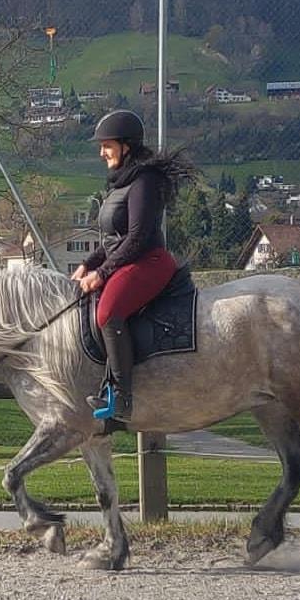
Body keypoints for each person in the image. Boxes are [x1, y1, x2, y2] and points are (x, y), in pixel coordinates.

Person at [71, 109, 194, 422]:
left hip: (149, 262)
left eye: (107, 146)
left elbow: (138, 236)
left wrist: (103, 273)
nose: (102, 153)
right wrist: (88, 264)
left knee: (108, 313)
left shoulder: (144, 181)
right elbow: (115, 238)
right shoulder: (121, 183)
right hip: (128, 260)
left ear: (126, 146)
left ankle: (123, 396)